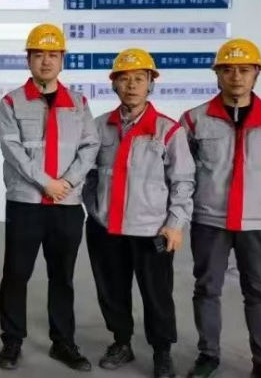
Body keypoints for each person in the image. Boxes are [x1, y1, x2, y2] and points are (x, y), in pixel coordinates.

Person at [181, 39, 261, 378]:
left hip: (258, 223)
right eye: (228, 70)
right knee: (206, 289)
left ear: (257, 73)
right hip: (209, 220)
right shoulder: (195, 120)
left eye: (244, 70)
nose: (236, 77)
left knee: (258, 292)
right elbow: (183, 171)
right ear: (217, 74)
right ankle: (208, 355)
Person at [83, 49, 195, 378]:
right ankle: (121, 342)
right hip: (106, 227)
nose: (131, 85)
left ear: (150, 84)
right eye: (124, 78)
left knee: (157, 295)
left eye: (139, 78)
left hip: (151, 231)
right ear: (114, 84)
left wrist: (175, 224)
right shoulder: (99, 127)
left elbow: (183, 182)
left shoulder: (168, 130)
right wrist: (95, 209)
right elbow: (88, 174)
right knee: (111, 291)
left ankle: (162, 352)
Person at [0, 23, 99, 372]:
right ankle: (12, 341)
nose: (46, 61)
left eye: (53, 55)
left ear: (62, 59)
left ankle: (63, 342)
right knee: (16, 274)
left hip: (66, 205)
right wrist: (46, 183)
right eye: (39, 54)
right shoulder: (12, 101)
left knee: (62, 277)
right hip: (26, 203)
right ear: (28, 59)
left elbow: (90, 146)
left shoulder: (78, 102)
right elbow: (12, 149)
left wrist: (66, 182)